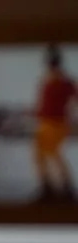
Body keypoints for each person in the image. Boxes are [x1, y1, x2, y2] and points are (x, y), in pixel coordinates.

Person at [37, 47, 76, 202]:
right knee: (40, 155)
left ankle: (65, 186)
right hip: (45, 122)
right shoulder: (48, 80)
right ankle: (47, 186)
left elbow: (75, 97)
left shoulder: (64, 82)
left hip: (56, 123)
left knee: (52, 153)